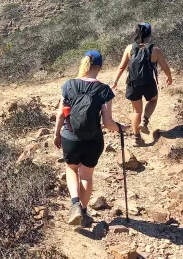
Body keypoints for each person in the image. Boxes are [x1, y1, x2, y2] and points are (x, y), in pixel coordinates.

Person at [54, 50, 128, 227]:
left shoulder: (68, 85)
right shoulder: (104, 90)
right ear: (100, 67)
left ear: (84, 64)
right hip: (93, 140)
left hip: (70, 138)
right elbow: (108, 122)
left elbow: (60, 115)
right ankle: (84, 212)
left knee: (71, 169)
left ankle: (74, 205)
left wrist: (57, 134)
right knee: (86, 176)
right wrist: (121, 128)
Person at [112, 23, 173, 142]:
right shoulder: (155, 50)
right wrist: (169, 77)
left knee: (136, 111)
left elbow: (121, 67)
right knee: (153, 100)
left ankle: (136, 137)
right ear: (149, 33)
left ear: (136, 33)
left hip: (133, 83)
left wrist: (115, 81)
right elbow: (165, 67)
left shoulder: (130, 48)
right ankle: (145, 121)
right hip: (148, 82)